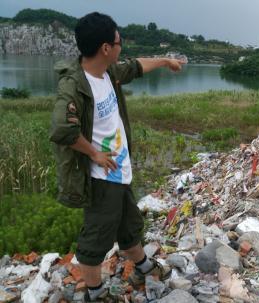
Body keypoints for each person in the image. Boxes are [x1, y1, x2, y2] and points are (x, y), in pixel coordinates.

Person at [49, 12, 186, 301]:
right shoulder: (74, 86)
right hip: (102, 178)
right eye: (118, 40)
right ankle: (95, 293)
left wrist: (164, 61)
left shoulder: (107, 73)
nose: (121, 45)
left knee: (129, 224)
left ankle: (144, 267)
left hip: (120, 171)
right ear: (105, 48)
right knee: (95, 238)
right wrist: (95, 154)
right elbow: (63, 129)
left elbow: (135, 67)